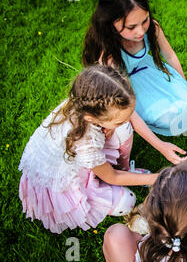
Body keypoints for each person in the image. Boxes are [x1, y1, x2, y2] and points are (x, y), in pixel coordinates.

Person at [18, 65, 158, 234]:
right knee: (128, 201)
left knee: (124, 130)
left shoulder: (86, 103)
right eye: (118, 120)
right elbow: (111, 177)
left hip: (83, 158)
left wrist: (115, 126)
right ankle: (105, 183)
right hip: (65, 182)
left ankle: (126, 170)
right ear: (92, 118)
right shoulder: (84, 139)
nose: (127, 120)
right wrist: (156, 179)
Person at [83, 0, 187, 162]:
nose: (141, 31)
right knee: (167, 115)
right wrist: (161, 146)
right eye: (131, 27)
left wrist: (181, 85)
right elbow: (129, 110)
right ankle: (155, 124)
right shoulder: (110, 57)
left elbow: (170, 55)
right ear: (111, 22)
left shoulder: (153, 28)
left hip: (150, 73)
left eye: (144, 21)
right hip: (129, 89)